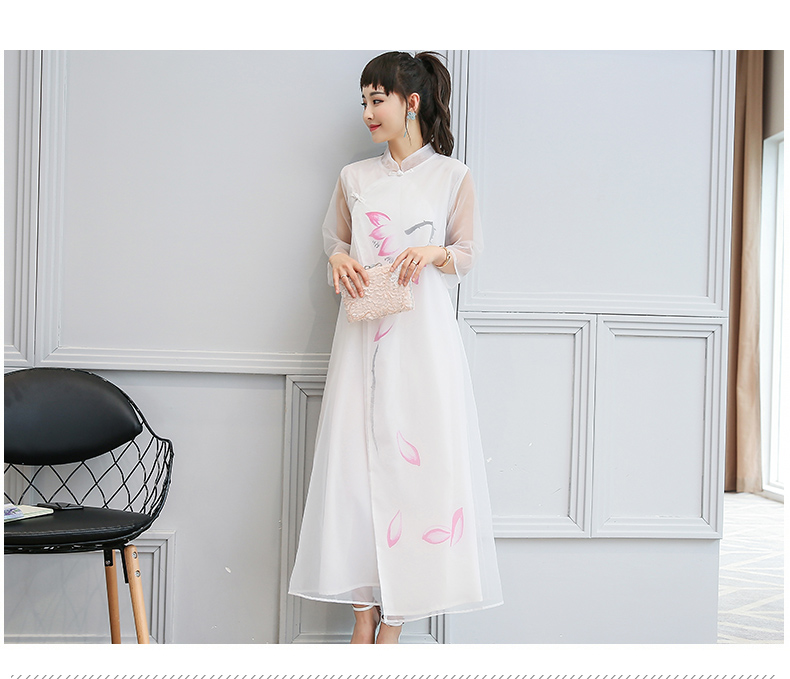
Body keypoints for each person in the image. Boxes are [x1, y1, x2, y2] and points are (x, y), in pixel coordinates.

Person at [288, 51, 502, 644]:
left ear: (411, 102)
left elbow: (467, 253)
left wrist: (434, 253)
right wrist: (337, 259)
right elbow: (336, 240)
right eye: (363, 101)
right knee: (355, 471)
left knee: (422, 473)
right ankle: (363, 616)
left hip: (424, 344)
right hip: (361, 340)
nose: (367, 112)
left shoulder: (452, 177)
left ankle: (397, 620)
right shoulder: (355, 177)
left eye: (376, 99)